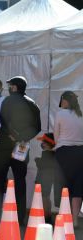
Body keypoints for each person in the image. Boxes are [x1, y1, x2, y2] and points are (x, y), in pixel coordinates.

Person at [0, 76, 41, 225]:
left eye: (10, 86)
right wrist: (21, 137)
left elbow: (4, 120)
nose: (9, 88)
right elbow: (37, 127)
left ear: (14, 87)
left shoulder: (8, 101)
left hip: (4, 146)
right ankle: (20, 217)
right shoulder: (33, 104)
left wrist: (14, 135)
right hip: (21, 146)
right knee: (20, 181)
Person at [54, 91, 83, 227]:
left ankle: (64, 218)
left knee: (64, 185)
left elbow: (56, 137)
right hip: (80, 152)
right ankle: (75, 219)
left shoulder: (60, 114)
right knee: (78, 186)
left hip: (64, 152)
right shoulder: (81, 115)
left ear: (65, 101)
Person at [35, 133, 56, 224]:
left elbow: (42, 165)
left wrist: (37, 160)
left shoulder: (47, 154)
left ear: (47, 143)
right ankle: (48, 216)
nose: (42, 143)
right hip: (47, 178)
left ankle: (46, 217)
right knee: (46, 197)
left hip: (43, 178)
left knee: (44, 198)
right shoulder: (53, 154)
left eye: (43, 142)